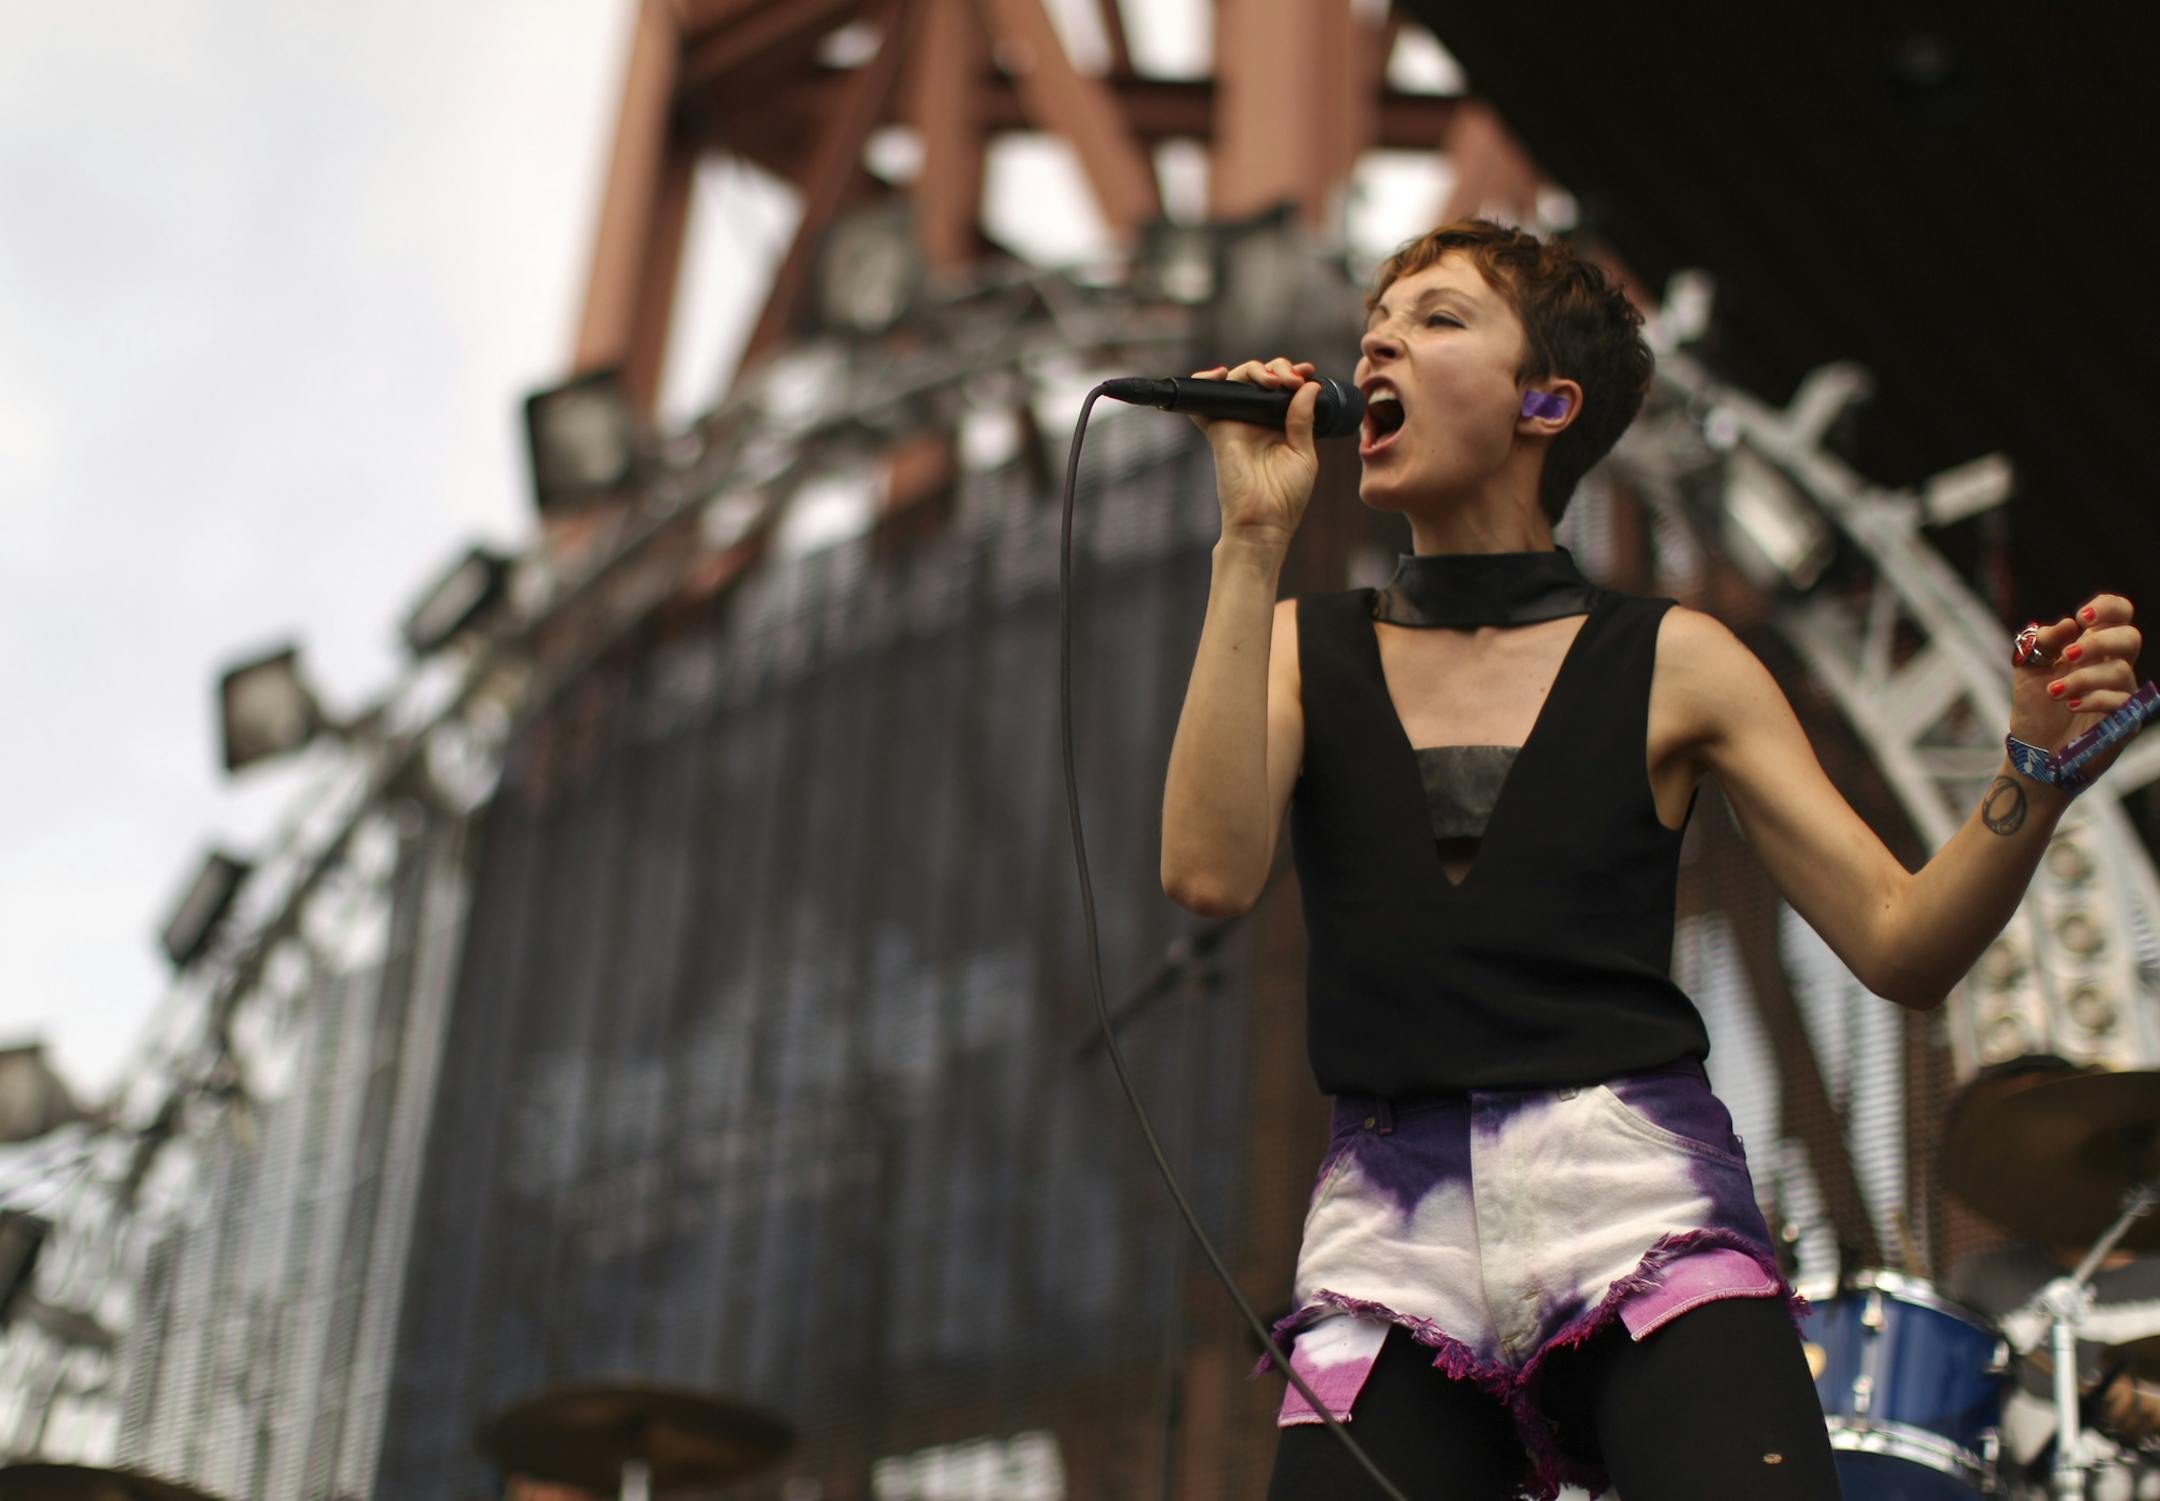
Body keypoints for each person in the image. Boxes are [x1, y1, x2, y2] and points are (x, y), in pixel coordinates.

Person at [1156, 218, 2147, 1501]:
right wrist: (1247, 541)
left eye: (1438, 317)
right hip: (1387, 1236)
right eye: (1374, 326)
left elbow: (1902, 944)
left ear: (1546, 402)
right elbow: (1207, 872)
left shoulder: (1675, 660)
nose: (1380, 339)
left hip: (1637, 1197)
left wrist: (2034, 773)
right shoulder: (1301, 648)